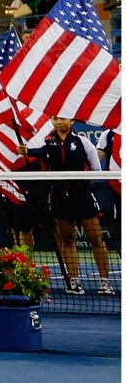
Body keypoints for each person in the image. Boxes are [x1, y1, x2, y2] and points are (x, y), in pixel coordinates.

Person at [37, 117, 116, 295]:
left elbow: (96, 169)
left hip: (82, 197)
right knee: (67, 240)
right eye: (55, 119)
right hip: (60, 199)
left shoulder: (83, 142)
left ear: (71, 121)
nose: (59, 122)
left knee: (96, 239)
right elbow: (38, 156)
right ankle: (74, 281)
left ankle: (104, 281)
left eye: (62, 119)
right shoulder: (48, 144)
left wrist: (79, 185)